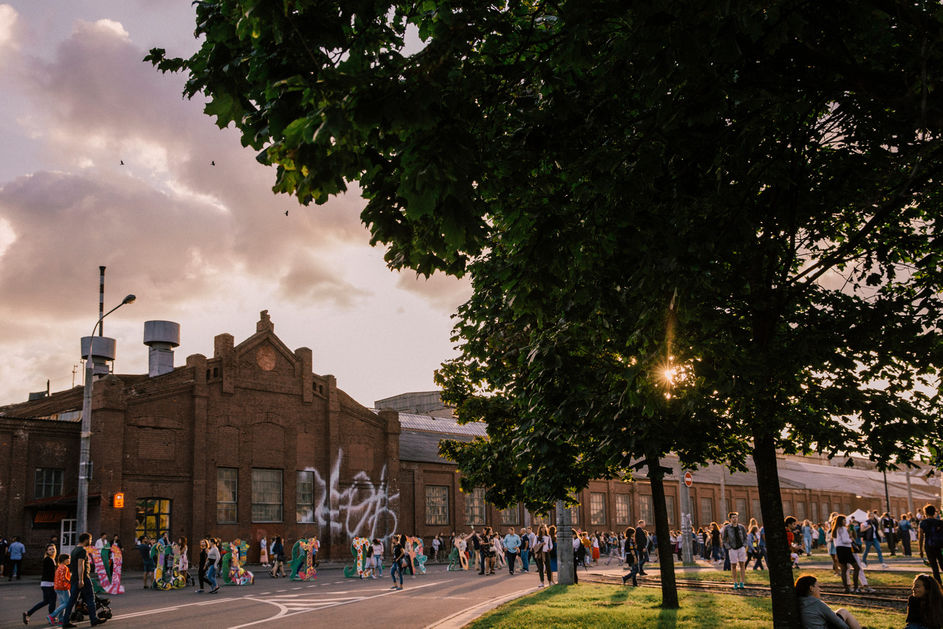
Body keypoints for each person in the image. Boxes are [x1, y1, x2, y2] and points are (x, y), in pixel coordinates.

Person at [62, 533, 106, 628]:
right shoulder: (82, 550)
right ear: (86, 540)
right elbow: (80, 565)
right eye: (90, 540)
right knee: (90, 599)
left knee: (72, 600)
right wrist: (81, 579)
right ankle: (93, 620)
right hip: (83, 578)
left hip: (74, 578)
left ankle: (65, 621)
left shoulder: (74, 550)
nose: (91, 542)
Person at [795, 574, 863, 629]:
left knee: (841, 612)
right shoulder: (817, 603)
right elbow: (839, 623)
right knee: (844, 611)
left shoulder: (797, 601)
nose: (819, 589)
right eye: (817, 586)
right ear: (811, 588)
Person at [24, 542, 58, 624]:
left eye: (53, 549)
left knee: (47, 601)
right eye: (50, 549)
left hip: (47, 583)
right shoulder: (48, 559)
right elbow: (51, 573)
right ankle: (51, 617)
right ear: (47, 551)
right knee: (52, 601)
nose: (52, 550)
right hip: (48, 583)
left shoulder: (52, 559)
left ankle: (28, 613)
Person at [832, 515, 861, 594]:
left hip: (839, 549)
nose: (845, 522)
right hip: (845, 549)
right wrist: (851, 540)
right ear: (841, 521)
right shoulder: (843, 529)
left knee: (844, 569)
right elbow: (845, 540)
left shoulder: (835, 529)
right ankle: (856, 587)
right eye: (844, 520)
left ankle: (846, 588)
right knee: (856, 567)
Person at [722, 512, 749, 589]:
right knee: (733, 565)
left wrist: (744, 546)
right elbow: (724, 539)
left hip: (741, 547)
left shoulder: (741, 527)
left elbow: (745, 537)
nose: (735, 519)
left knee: (742, 564)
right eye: (733, 517)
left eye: (736, 517)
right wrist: (728, 547)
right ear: (730, 519)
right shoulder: (727, 528)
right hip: (732, 548)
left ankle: (742, 582)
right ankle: (735, 582)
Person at [920, 504, 943, 585]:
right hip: (939, 546)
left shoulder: (923, 523)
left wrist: (921, 550)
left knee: (934, 568)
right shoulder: (940, 522)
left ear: (925, 513)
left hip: (929, 546)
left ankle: (939, 585)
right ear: (934, 513)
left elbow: (921, 537)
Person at [49, 552, 72, 626]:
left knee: (63, 604)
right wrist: (70, 580)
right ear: (65, 560)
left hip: (57, 587)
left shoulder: (59, 567)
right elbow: (64, 578)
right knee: (67, 603)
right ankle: (52, 616)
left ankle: (61, 620)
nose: (69, 560)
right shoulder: (64, 567)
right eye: (69, 559)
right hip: (63, 587)